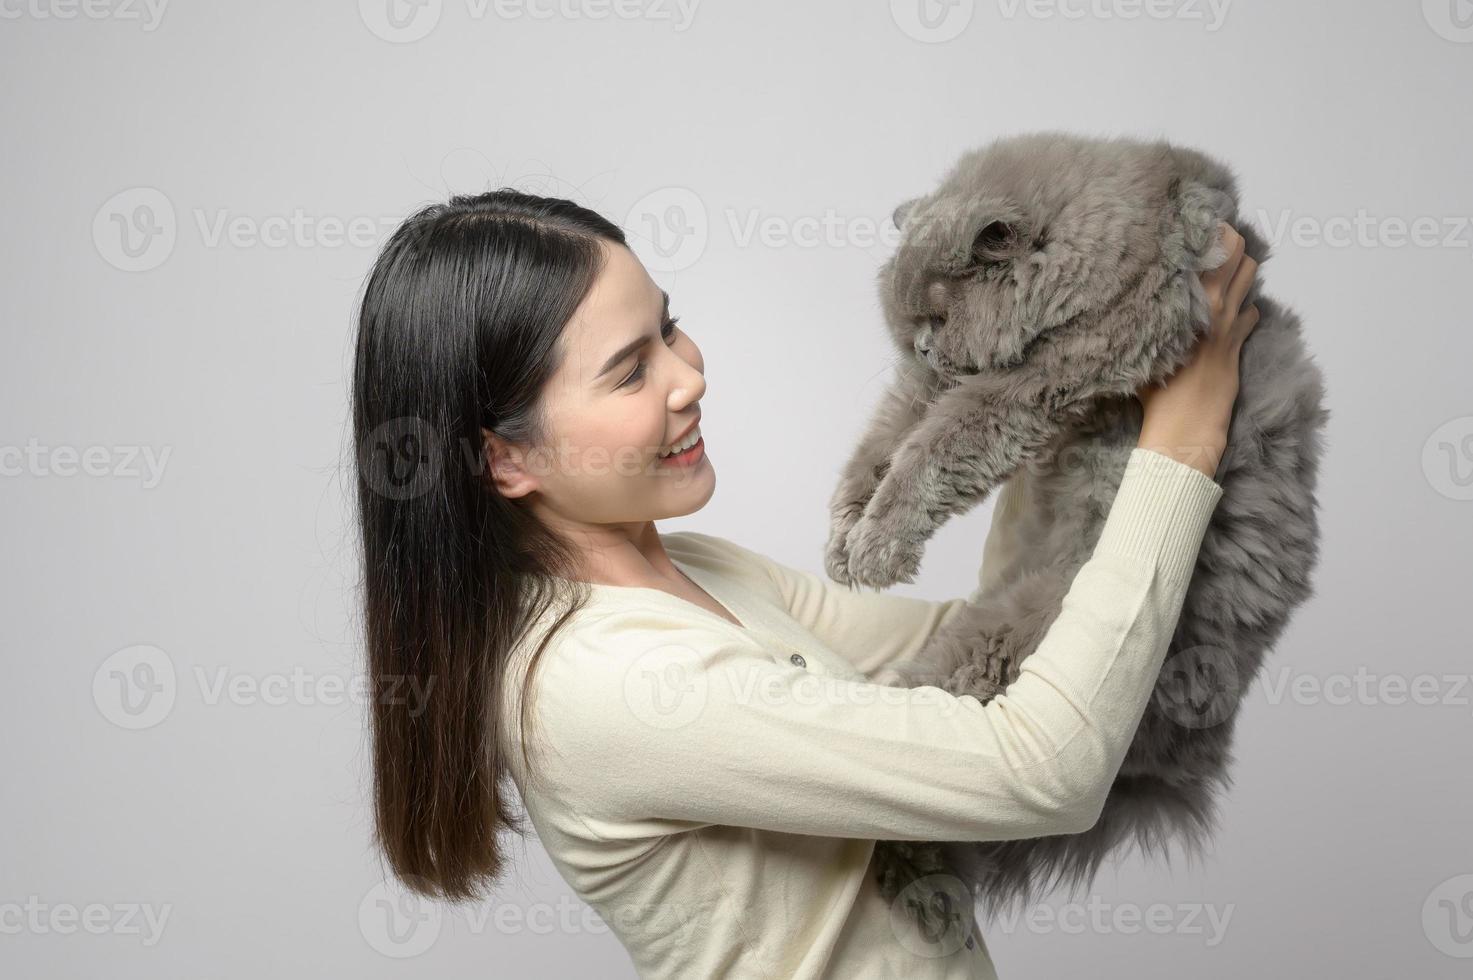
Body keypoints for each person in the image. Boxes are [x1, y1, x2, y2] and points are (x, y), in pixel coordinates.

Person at [349, 188, 1260, 978]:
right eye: (630, 370)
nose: (687, 374)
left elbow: (1000, 641)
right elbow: (1040, 766)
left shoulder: (690, 569)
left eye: (667, 326)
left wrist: (1053, 380)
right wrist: (1185, 434)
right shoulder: (608, 685)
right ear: (504, 460)